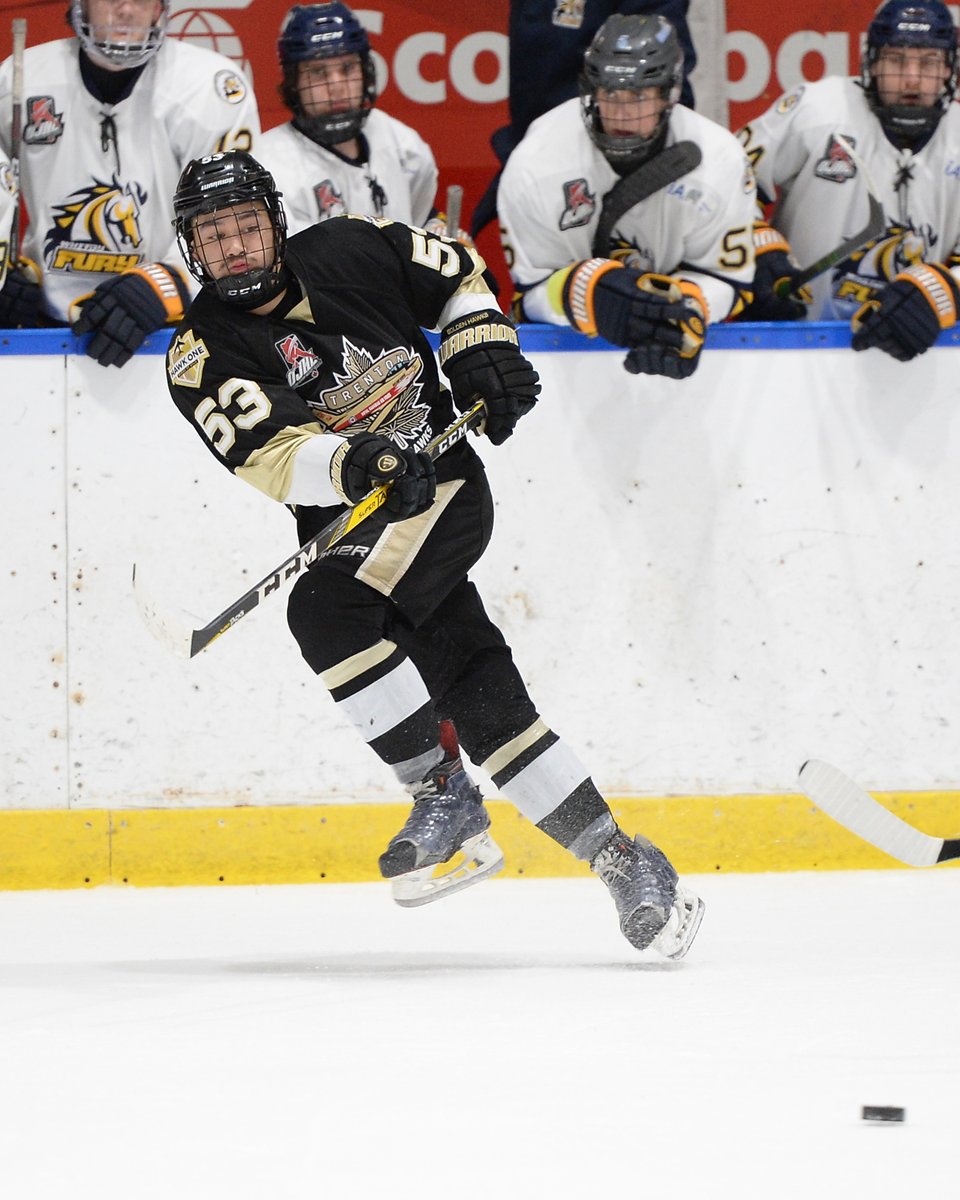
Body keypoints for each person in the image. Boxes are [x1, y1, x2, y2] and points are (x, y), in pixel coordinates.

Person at [164, 148, 705, 959]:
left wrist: (476, 345)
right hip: (360, 531)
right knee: (485, 704)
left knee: (325, 608)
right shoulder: (201, 352)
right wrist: (353, 462)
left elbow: (456, 274)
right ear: (192, 249)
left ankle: (442, 791)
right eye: (214, 236)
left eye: (246, 225)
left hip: (443, 494)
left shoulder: (351, 246)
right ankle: (626, 860)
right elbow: (271, 454)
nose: (235, 248)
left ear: (275, 222)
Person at [497, 13, 756, 379]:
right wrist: (585, 293)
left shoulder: (720, 158)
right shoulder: (536, 163)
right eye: (610, 93)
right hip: (565, 367)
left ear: (668, 95)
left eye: (638, 96)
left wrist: (680, 313)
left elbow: (728, 281)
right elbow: (530, 293)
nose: (621, 113)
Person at [0, 0, 260, 362]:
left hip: (174, 330)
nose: (125, 10)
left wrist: (174, 281)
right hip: (42, 327)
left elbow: (241, 217)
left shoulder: (210, 86)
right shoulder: (20, 77)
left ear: (159, 8)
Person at [735, 0, 960, 362]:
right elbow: (726, 182)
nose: (912, 78)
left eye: (929, 63)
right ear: (872, 63)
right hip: (794, 346)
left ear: (949, 69)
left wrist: (945, 290)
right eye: (896, 60)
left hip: (913, 355)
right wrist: (759, 247)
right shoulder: (817, 109)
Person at [471, 0, 697, 241]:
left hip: (621, 177)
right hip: (540, 162)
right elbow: (533, 83)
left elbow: (661, 77)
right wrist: (533, 159)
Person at [258, 3, 442, 236]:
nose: (337, 85)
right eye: (318, 72)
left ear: (365, 71)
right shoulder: (268, 166)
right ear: (294, 83)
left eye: (347, 68)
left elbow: (419, 221)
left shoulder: (401, 143)